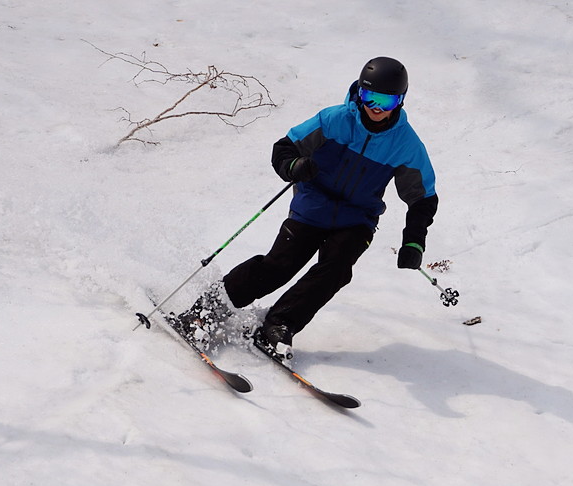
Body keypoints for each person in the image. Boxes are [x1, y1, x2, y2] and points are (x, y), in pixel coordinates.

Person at [178, 57, 438, 359]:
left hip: (357, 219)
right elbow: (284, 148)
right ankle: (206, 312)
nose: (376, 108)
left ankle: (278, 325)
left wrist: (414, 241)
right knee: (280, 265)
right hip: (313, 205)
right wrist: (294, 166)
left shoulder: (406, 145)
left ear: (400, 101)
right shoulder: (334, 120)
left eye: (386, 101)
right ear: (360, 94)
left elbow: (423, 199)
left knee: (336, 271)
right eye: (370, 98)